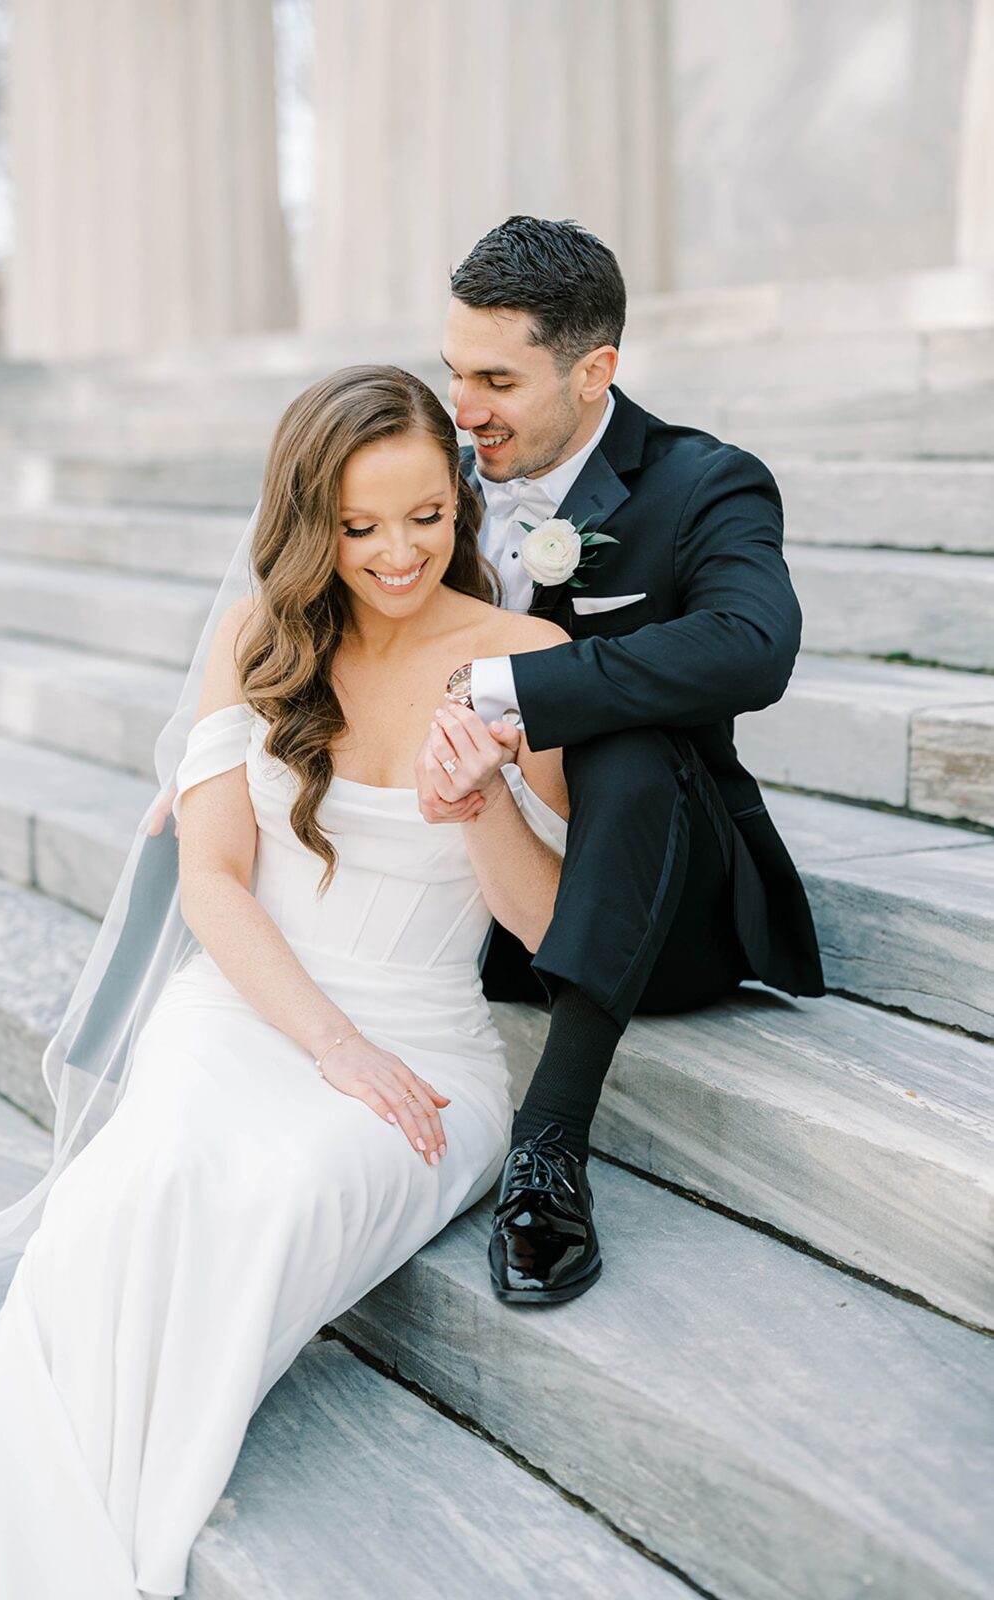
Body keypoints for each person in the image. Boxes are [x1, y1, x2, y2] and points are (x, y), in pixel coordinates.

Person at [0, 366, 570, 1599]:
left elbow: (550, 925)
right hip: (243, 1006)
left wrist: (481, 802)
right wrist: (328, 1045)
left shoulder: (521, 656)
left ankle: (109, 1501)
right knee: (144, 1176)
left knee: (282, 1188)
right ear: (306, 519)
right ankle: (39, 1506)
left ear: (464, 505)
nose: (397, 555)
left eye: (427, 517)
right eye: (358, 524)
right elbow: (216, 879)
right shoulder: (257, 639)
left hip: (428, 1045)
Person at [418, 216, 824, 1305]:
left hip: (660, 913)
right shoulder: (431, 484)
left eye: (494, 380)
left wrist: (512, 689)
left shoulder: (703, 483)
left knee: (632, 738)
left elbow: (752, 643)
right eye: (452, 372)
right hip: (466, 908)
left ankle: (546, 1150)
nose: (462, 410)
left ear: (592, 370)